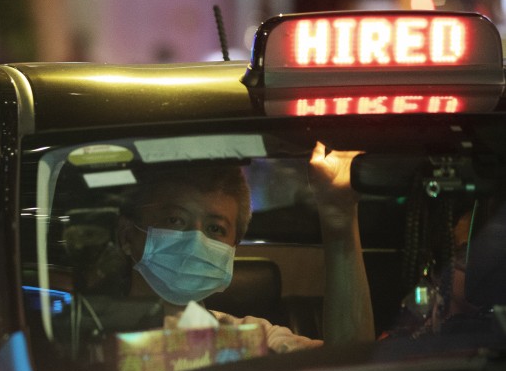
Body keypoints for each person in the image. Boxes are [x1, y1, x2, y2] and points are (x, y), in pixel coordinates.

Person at [112, 141, 374, 353]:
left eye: (215, 228)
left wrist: (340, 221)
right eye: (175, 220)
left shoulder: (255, 341)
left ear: (232, 248)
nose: (195, 239)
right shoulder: (83, 338)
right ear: (126, 236)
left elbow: (350, 364)